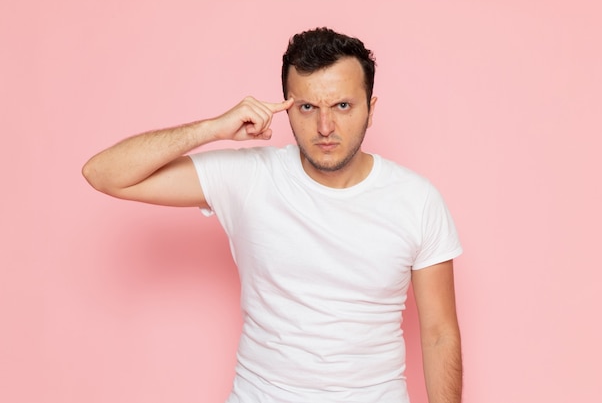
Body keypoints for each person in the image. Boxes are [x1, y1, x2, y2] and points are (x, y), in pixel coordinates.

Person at [82, 27, 463, 403]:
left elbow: (438, 333)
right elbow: (104, 174)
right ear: (285, 107)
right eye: (307, 107)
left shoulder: (417, 200)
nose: (325, 127)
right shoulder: (249, 177)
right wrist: (212, 128)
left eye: (342, 106)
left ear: (370, 109)